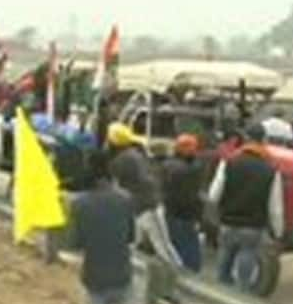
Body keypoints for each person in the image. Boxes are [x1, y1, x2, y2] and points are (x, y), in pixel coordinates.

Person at [68, 150, 165, 304]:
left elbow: (75, 243)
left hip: (94, 278)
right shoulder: (125, 200)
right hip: (122, 274)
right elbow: (132, 238)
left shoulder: (78, 204)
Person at [207, 123, 283, 292]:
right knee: (244, 277)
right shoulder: (271, 170)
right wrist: (278, 233)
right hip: (252, 228)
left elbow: (213, 195)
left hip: (228, 223)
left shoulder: (228, 163)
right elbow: (275, 208)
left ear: (246, 139)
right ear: (264, 141)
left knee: (223, 268)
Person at [106, 123, 185, 269]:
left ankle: (176, 274)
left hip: (145, 205)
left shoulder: (120, 160)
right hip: (146, 204)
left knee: (159, 246)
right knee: (154, 245)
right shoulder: (134, 154)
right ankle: (173, 275)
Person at [161, 134, 204, 272]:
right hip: (186, 215)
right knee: (190, 251)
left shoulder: (167, 165)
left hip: (170, 212)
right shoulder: (192, 169)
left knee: (173, 247)